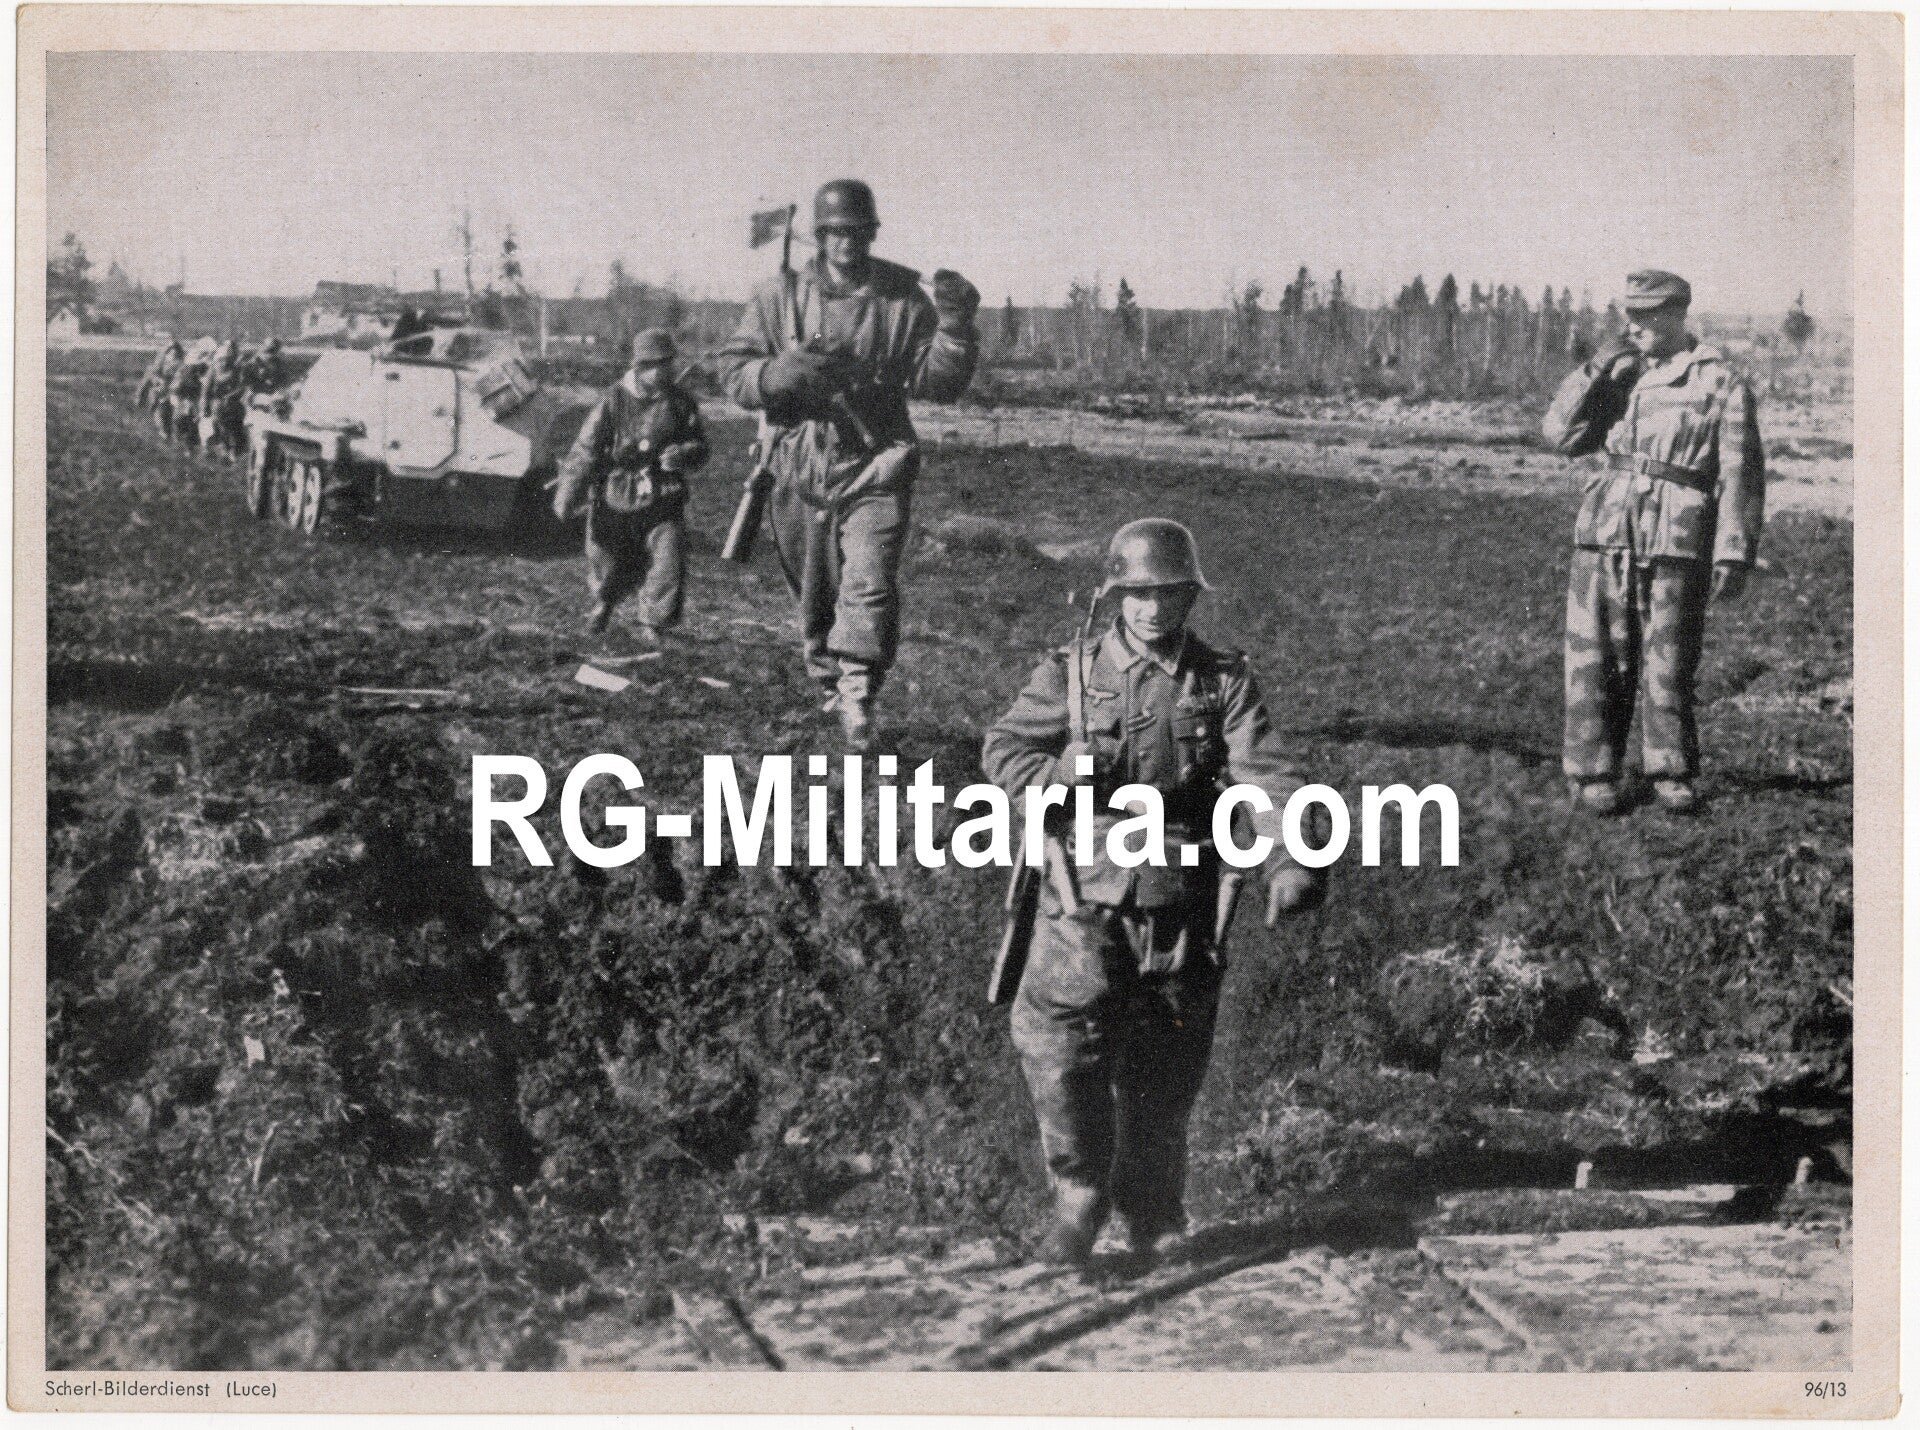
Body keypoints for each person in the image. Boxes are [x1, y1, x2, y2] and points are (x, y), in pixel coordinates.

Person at [981, 519, 1324, 1266]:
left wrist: (1291, 857)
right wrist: (1058, 775)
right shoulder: (1072, 673)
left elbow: (1267, 774)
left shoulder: (1221, 681)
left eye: (1168, 594)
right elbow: (1003, 749)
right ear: (1114, 595)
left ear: (1189, 598)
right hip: (1083, 892)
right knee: (1061, 1047)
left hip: (1184, 896)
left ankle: (1153, 1210)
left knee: (1166, 1061)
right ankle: (1077, 1197)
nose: (1151, 609)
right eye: (1137, 594)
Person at [715, 178, 981, 752]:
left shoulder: (902, 301)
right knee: (814, 591)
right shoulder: (779, 296)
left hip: (875, 463)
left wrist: (956, 329)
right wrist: (775, 375)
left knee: (869, 579)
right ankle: (830, 684)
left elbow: (936, 382)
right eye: (835, 232)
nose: (846, 243)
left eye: (857, 231)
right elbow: (733, 372)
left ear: (872, 233)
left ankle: (858, 692)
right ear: (818, 235)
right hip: (797, 464)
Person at [1542, 270, 1766, 814]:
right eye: (1630, 316)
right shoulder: (1617, 376)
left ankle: (1670, 770)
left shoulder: (1719, 382)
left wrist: (1733, 551)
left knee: (1669, 660)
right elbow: (1560, 436)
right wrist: (1594, 371)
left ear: (1676, 315)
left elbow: (1741, 473)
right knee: (1595, 653)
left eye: (1645, 317)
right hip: (1605, 530)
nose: (1634, 327)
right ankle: (1592, 771)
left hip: (1677, 536)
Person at [552, 328, 709, 641]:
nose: (661, 372)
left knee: (668, 556)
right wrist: (568, 494)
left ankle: (654, 623)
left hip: (663, 493)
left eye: (666, 364)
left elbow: (701, 447)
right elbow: (585, 448)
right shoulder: (613, 400)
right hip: (615, 491)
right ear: (639, 367)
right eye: (653, 366)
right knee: (604, 554)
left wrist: (684, 453)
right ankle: (604, 604)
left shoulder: (681, 404)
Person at [199, 339, 248, 460]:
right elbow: (206, 390)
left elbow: (242, 386)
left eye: (227, 359)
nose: (224, 362)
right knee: (218, 421)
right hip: (217, 402)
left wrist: (232, 396)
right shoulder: (213, 370)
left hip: (234, 401)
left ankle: (235, 449)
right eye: (221, 360)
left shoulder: (237, 370)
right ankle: (223, 446)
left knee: (237, 422)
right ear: (218, 359)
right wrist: (204, 406)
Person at [136, 337, 183, 415]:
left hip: (172, 388)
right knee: (151, 372)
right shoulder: (161, 362)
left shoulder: (180, 365)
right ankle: (143, 398)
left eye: (175, 355)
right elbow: (154, 371)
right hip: (161, 385)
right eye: (170, 354)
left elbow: (179, 379)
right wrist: (159, 380)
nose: (172, 357)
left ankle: (152, 402)